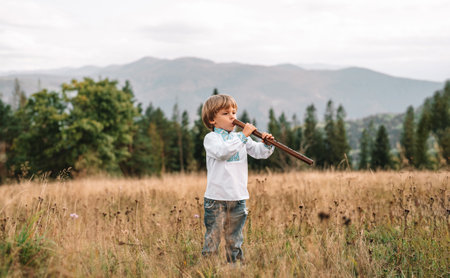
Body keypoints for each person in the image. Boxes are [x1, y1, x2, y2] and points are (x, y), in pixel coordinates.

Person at [201, 94, 275, 263]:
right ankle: (208, 270)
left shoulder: (239, 138)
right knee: (212, 239)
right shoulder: (212, 139)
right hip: (216, 199)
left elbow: (258, 153)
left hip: (238, 197)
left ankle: (235, 270)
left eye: (234, 112)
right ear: (212, 120)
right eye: (226, 114)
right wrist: (243, 136)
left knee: (234, 240)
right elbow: (222, 152)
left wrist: (267, 144)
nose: (232, 117)